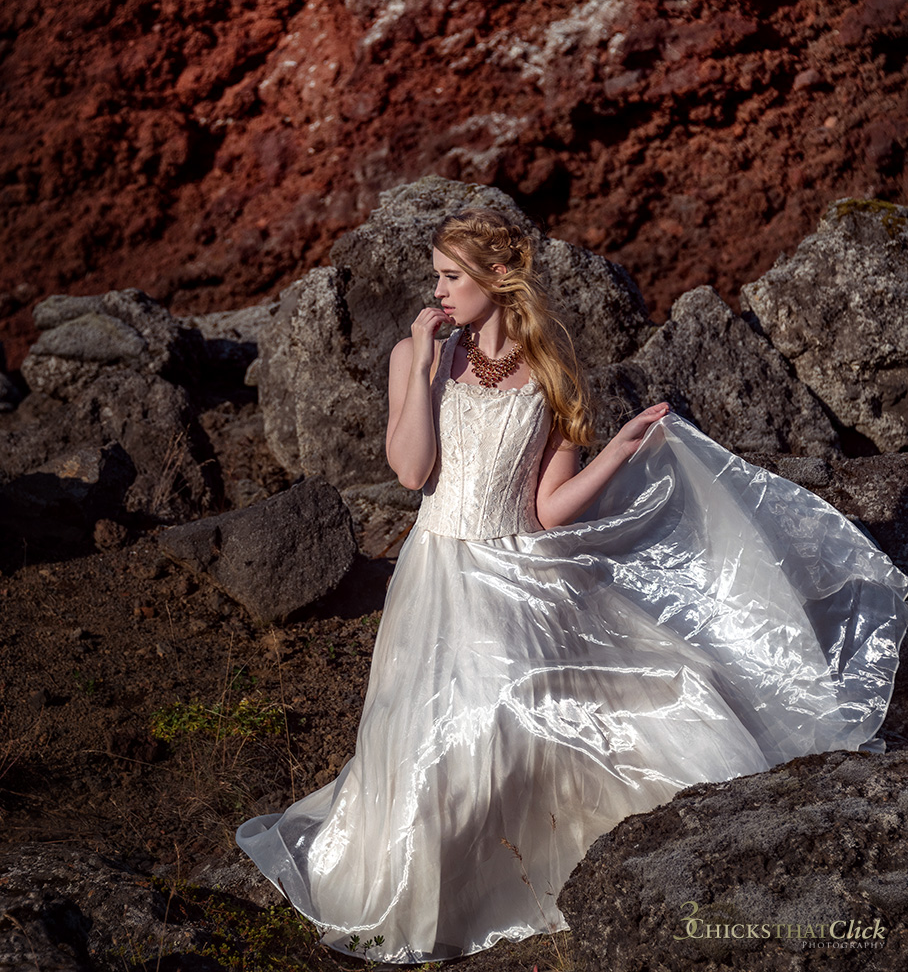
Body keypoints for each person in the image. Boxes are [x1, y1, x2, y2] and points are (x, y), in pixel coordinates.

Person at [237, 208, 908, 964]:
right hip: (437, 571)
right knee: (431, 738)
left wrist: (619, 450)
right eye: (437, 277)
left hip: (518, 572)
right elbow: (411, 471)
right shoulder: (416, 355)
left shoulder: (548, 370)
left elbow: (547, 510)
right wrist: (424, 360)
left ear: (497, 279)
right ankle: (431, 898)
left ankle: (529, 880)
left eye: (451, 277)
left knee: (528, 718)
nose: (439, 291)